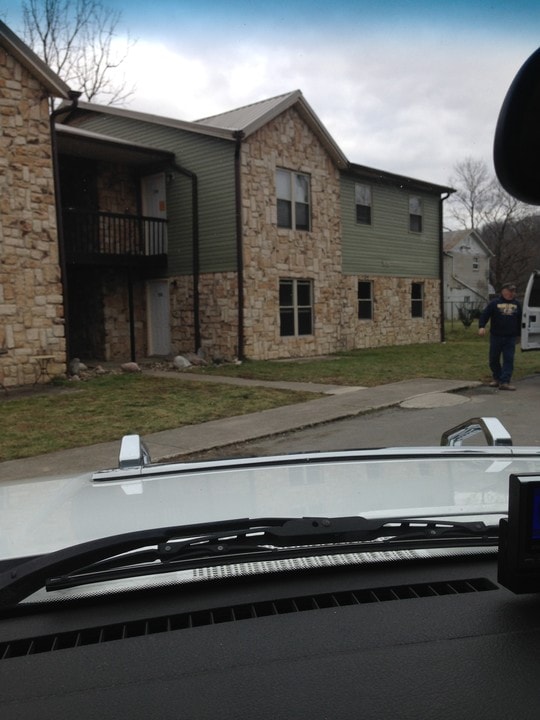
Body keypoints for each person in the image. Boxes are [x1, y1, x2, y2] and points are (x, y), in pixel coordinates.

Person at [478, 282, 522, 391]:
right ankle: (497, 378)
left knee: (508, 359)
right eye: (509, 291)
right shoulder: (494, 303)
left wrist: (519, 334)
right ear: (503, 291)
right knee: (493, 359)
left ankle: (505, 381)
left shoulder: (517, 304)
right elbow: (484, 315)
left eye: (513, 291)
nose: (512, 293)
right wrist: (482, 326)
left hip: (510, 337)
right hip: (496, 336)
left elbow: (520, 320)